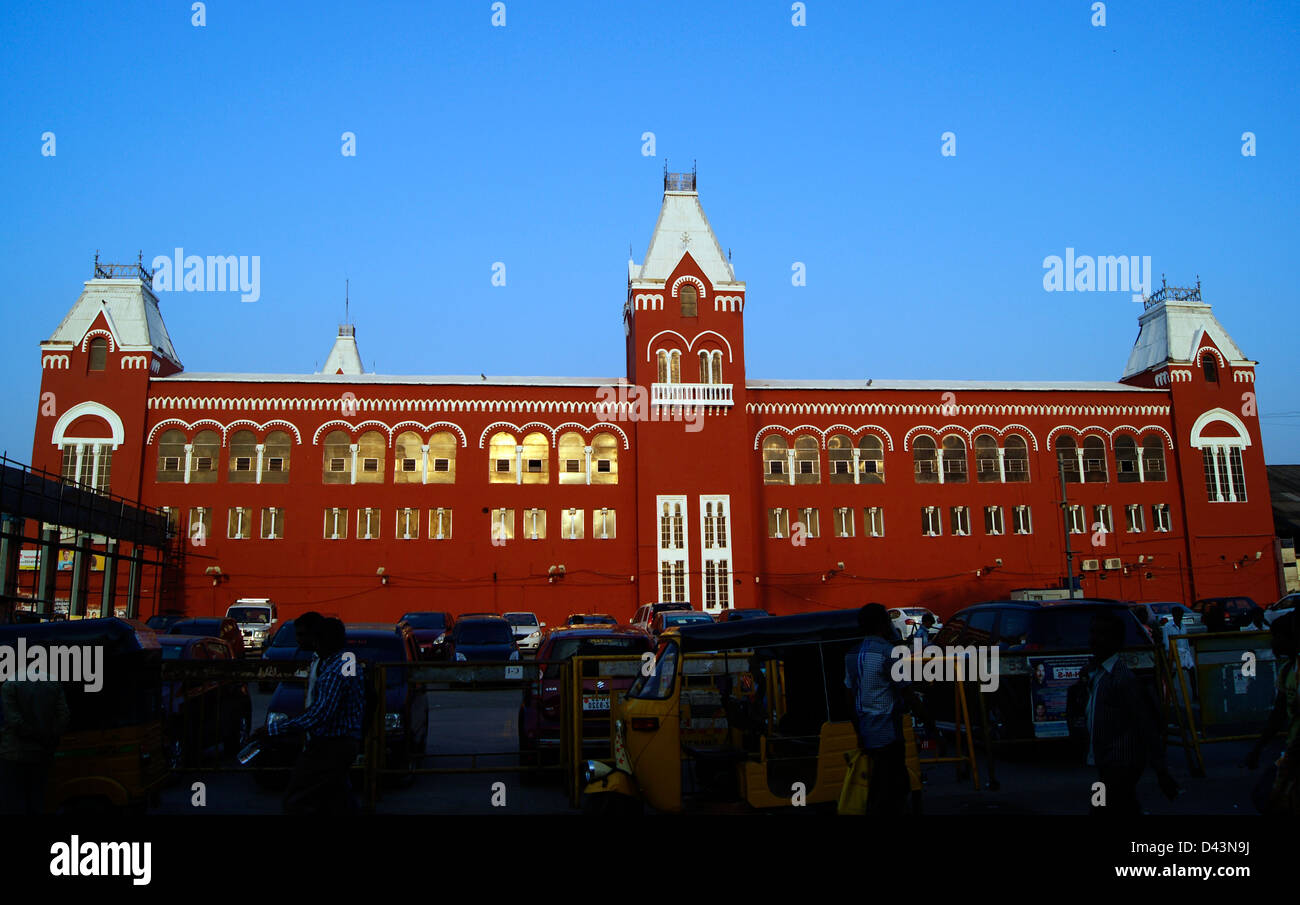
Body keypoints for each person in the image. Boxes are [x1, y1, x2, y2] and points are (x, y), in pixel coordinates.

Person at [1081, 610, 1179, 815]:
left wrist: (1161, 771)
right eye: (1092, 633)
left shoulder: (1122, 679)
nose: (1093, 640)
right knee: (1122, 806)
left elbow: (1145, 724)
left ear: (1115, 640)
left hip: (1122, 762)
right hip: (1107, 761)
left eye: (1100, 634)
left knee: (1104, 806)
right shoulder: (1097, 673)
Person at [272, 617, 364, 814]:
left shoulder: (336, 669)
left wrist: (278, 727)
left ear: (321, 640)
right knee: (338, 799)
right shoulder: (338, 662)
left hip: (331, 744)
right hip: (341, 741)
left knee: (297, 798)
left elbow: (321, 713)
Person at [844, 602, 909, 814]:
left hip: (867, 732)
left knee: (877, 786)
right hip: (889, 734)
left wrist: (858, 732)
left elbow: (850, 696)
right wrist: (928, 721)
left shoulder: (852, 655)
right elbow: (906, 690)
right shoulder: (888, 652)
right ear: (883, 624)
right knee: (894, 789)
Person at [1243, 612, 1299, 813]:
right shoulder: (1287, 671)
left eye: (1278, 637)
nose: (1273, 642)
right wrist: (1258, 748)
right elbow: (1278, 715)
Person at [0, 662, 71, 814]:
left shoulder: (9, 685)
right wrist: (50, 737)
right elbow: (64, 716)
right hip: (42, 754)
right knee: (38, 801)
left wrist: (36, 736)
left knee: (13, 803)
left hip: (14, 754)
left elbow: (15, 722)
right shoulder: (52, 683)